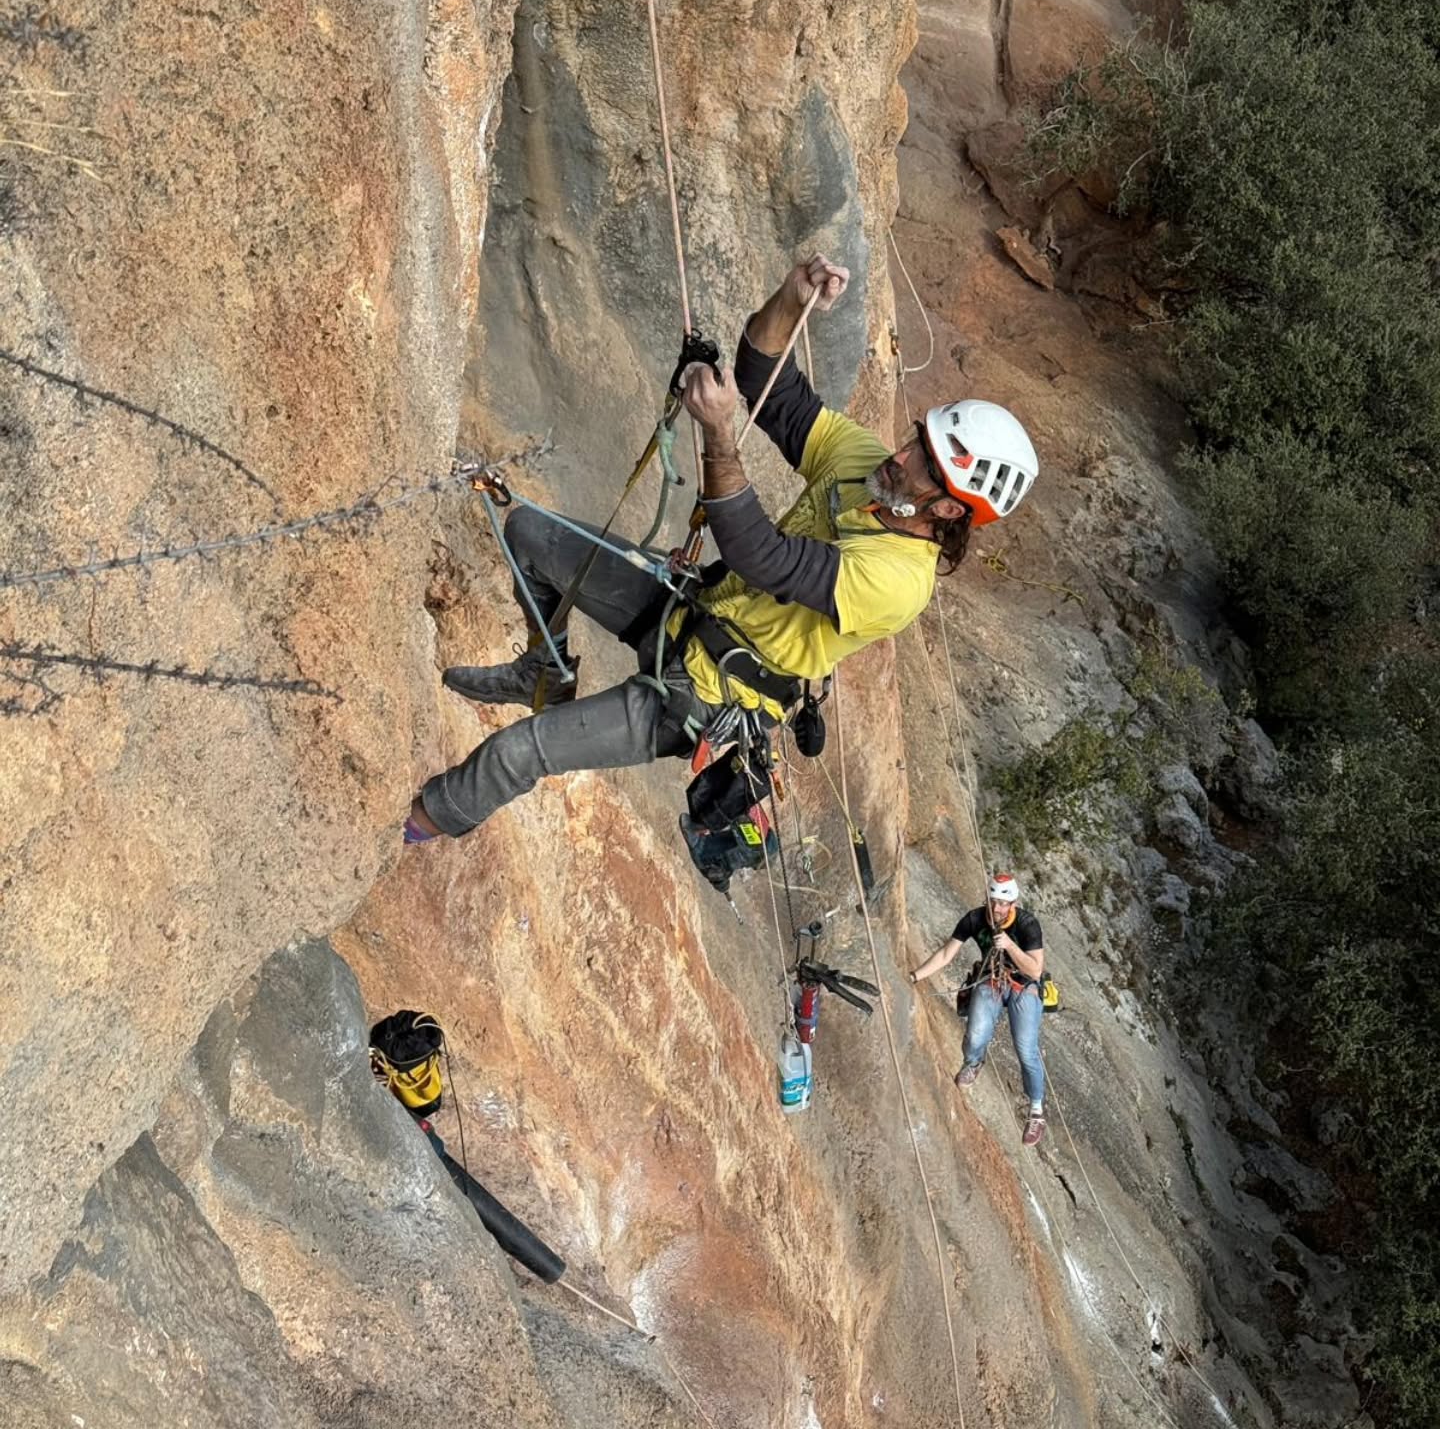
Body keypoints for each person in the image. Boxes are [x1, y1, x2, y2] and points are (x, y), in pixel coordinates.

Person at [404, 254, 1039, 845]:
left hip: (705, 696)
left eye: (923, 466)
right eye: (914, 442)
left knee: (515, 753)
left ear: (950, 509)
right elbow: (773, 386)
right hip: (689, 612)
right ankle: (544, 671)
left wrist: (717, 434)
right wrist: (791, 300)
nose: (899, 458)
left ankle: (410, 826)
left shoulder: (899, 581)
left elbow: (763, 556)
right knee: (530, 536)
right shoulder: (865, 469)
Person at [910, 872, 1047, 1146]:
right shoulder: (974, 918)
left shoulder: (1028, 924)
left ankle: (1036, 1112)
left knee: (1026, 1049)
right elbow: (946, 954)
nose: (996, 909)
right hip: (991, 979)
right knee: (975, 1035)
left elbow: (1035, 969)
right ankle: (973, 1063)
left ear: (1013, 904)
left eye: (1002, 904)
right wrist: (915, 976)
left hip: (1023, 986)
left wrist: (1009, 945)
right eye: (993, 901)